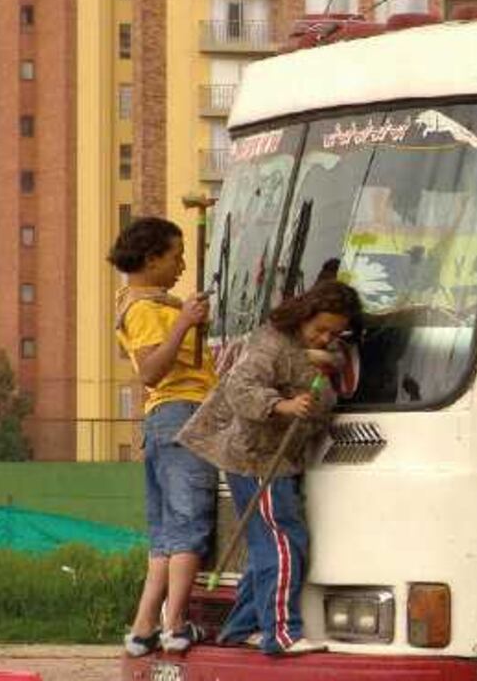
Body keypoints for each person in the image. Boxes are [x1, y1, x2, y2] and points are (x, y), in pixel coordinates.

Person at [177, 281, 363, 656]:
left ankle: (240, 628)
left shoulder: (318, 349)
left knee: (267, 547)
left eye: (335, 332)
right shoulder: (271, 342)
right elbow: (240, 388)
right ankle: (280, 632)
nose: (327, 338)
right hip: (257, 458)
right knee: (283, 543)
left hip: (280, 459)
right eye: (321, 329)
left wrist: (328, 361)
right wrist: (283, 406)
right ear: (305, 315)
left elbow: (331, 370)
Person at [109, 217, 219, 656]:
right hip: (183, 414)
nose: (181, 264)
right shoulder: (142, 309)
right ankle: (176, 624)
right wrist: (182, 323)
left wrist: (188, 317)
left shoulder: (149, 301)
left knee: (165, 534)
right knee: (190, 522)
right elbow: (153, 370)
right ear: (151, 258)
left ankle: (143, 628)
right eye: (175, 256)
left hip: (163, 422)